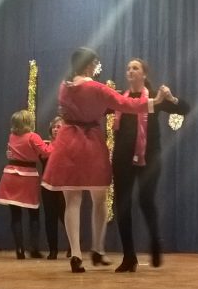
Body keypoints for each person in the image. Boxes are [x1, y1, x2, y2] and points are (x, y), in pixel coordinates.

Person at [41, 47, 169, 273]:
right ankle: (98, 249)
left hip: (67, 142)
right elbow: (126, 104)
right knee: (99, 197)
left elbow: (75, 107)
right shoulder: (97, 88)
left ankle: (76, 255)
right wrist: (155, 101)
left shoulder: (64, 86)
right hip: (90, 143)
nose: (96, 68)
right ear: (89, 65)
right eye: (95, 64)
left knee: (72, 201)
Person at [111, 58, 189, 272]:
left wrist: (171, 98)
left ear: (144, 74)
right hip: (122, 159)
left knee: (146, 200)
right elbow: (98, 108)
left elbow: (185, 109)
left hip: (149, 157)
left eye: (135, 68)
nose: (130, 71)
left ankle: (155, 240)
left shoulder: (156, 97)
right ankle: (129, 257)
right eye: (128, 68)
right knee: (123, 206)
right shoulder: (120, 98)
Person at [0, 109, 52, 259]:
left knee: (15, 215)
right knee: (34, 214)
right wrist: (56, 144)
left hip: (10, 176)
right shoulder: (33, 136)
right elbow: (46, 152)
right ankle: (34, 249)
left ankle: (19, 250)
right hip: (28, 177)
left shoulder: (12, 136)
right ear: (29, 122)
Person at [40, 116, 66, 260]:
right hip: (47, 186)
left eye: (59, 127)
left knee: (66, 217)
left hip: (63, 186)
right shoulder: (44, 145)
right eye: (54, 127)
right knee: (50, 218)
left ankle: (74, 247)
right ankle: (53, 250)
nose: (56, 129)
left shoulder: (69, 146)